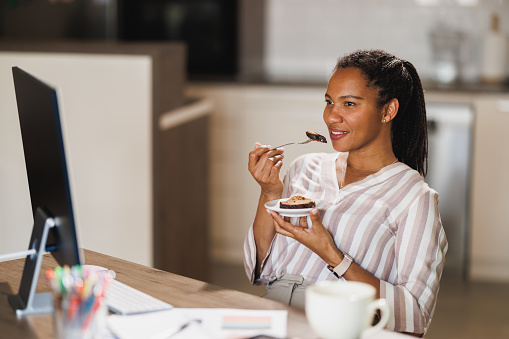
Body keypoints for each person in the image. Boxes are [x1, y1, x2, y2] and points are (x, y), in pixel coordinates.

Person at [244, 49, 448, 336]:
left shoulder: (414, 197)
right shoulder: (304, 167)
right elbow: (259, 270)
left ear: (388, 110)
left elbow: (414, 316)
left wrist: (332, 254)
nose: (331, 116)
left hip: (336, 326)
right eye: (329, 102)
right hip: (271, 315)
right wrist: (269, 191)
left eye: (349, 104)